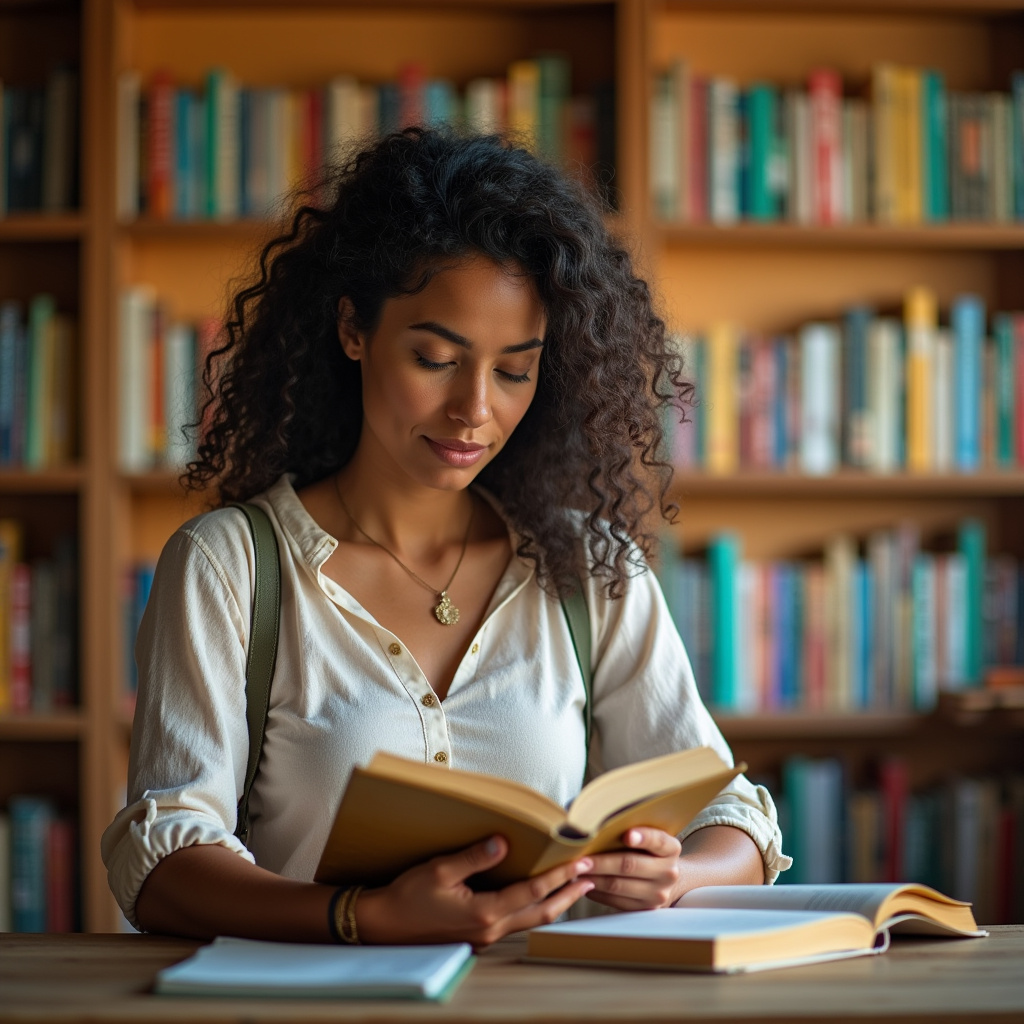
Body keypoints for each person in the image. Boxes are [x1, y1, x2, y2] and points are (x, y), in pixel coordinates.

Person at [101, 127, 790, 947]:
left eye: (513, 370)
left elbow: (732, 811)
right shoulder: (231, 566)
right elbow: (162, 861)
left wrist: (680, 875)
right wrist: (360, 917)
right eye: (436, 358)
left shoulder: (588, 569)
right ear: (354, 331)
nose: (475, 410)